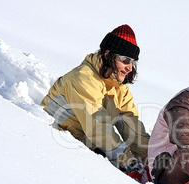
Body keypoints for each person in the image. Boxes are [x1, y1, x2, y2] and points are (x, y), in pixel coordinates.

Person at [41, 24, 150, 173]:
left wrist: (151, 159)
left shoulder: (118, 85)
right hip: (57, 143)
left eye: (132, 61)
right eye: (125, 60)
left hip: (89, 142)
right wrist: (128, 162)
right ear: (107, 55)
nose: (129, 67)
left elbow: (131, 123)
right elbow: (98, 126)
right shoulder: (83, 78)